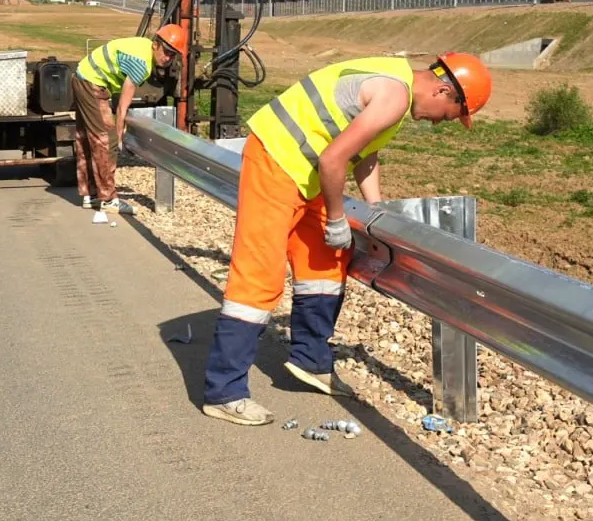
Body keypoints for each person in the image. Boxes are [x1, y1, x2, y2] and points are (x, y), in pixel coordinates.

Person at [201, 52, 493, 426]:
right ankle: (224, 392)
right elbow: (333, 161)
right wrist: (338, 218)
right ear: (443, 91)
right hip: (276, 161)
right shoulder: (395, 96)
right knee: (260, 274)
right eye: (449, 116)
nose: (439, 123)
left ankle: (311, 360)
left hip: (304, 172)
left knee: (326, 259)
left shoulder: (397, 84)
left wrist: (377, 211)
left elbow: (363, 155)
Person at [72, 24, 187, 214]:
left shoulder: (143, 47)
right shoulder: (142, 64)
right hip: (91, 83)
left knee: (87, 138)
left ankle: (92, 194)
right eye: (166, 52)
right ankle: (108, 199)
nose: (168, 58)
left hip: (83, 77)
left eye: (173, 55)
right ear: (156, 45)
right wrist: (118, 133)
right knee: (106, 140)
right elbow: (123, 105)